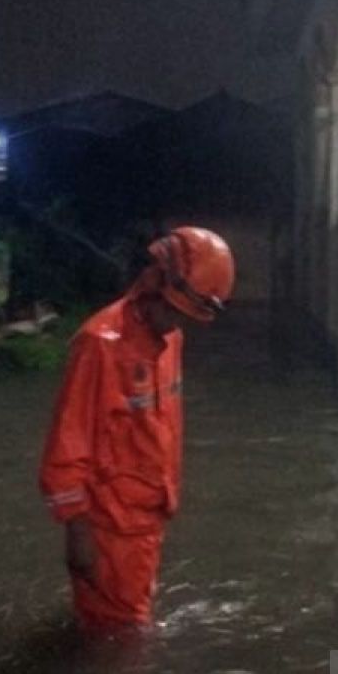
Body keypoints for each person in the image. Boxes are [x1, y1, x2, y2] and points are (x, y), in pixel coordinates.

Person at [39, 226, 235, 632]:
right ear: (154, 285)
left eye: (187, 317)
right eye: (176, 310)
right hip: (110, 530)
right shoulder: (101, 344)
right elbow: (66, 449)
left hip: (146, 519)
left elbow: (163, 427)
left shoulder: (169, 340)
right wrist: (78, 534)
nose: (178, 323)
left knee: (123, 631)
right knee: (121, 643)